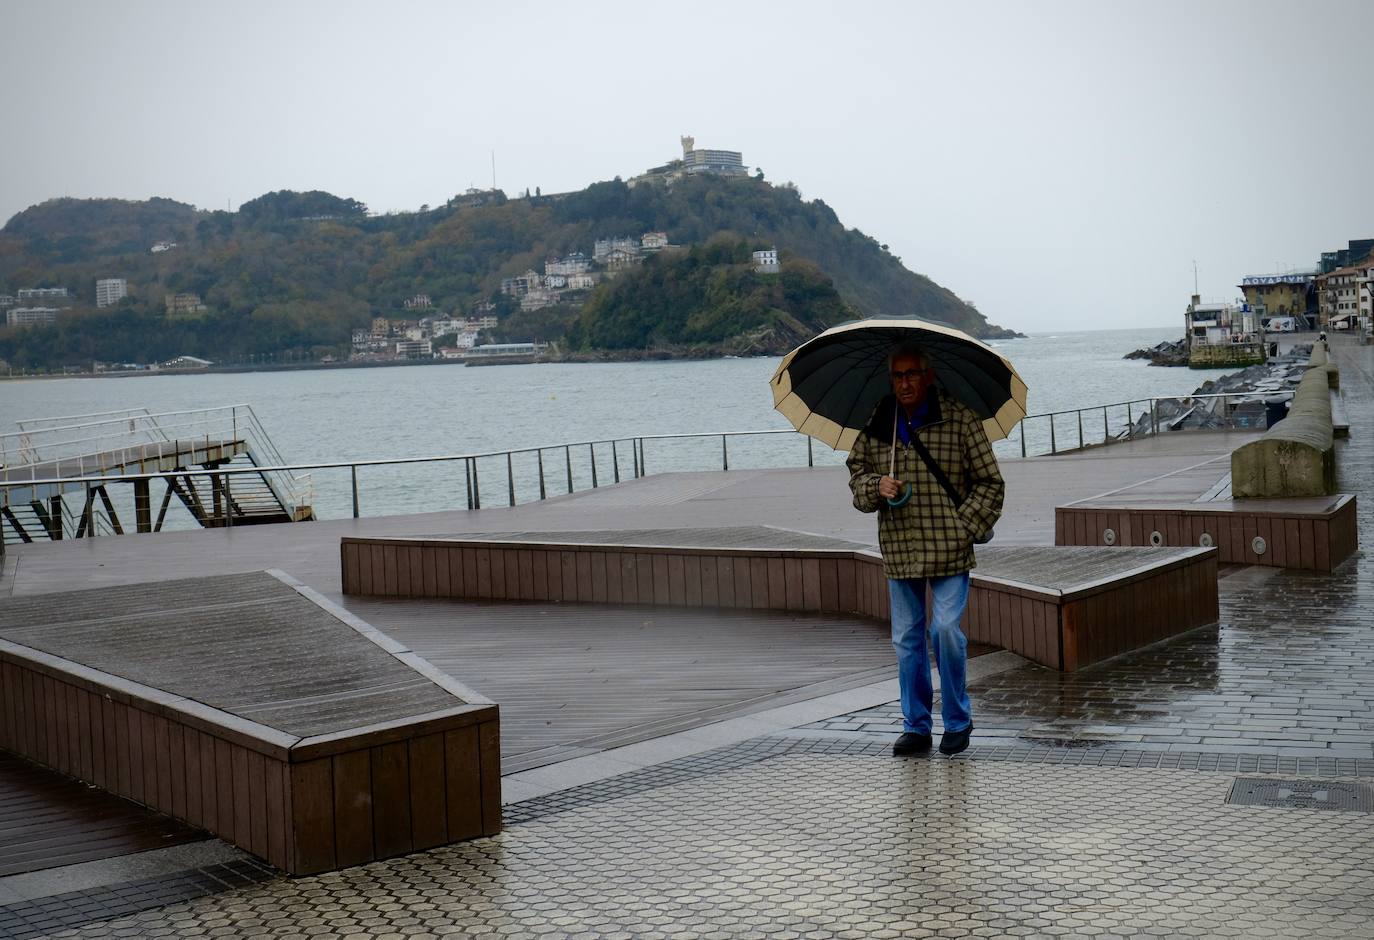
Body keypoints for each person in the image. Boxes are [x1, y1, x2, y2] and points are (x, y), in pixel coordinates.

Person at [847, 344, 1005, 756]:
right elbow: (857, 477)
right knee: (907, 641)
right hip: (901, 550)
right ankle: (916, 727)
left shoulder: (960, 420)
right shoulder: (880, 420)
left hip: (950, 549)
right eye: (897, 376)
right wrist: (876, 486)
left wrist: (963, 526)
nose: (904, 383)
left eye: (912, 374)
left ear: (928, 375)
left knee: (946, 632)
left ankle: (957, 720)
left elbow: (991, 483)